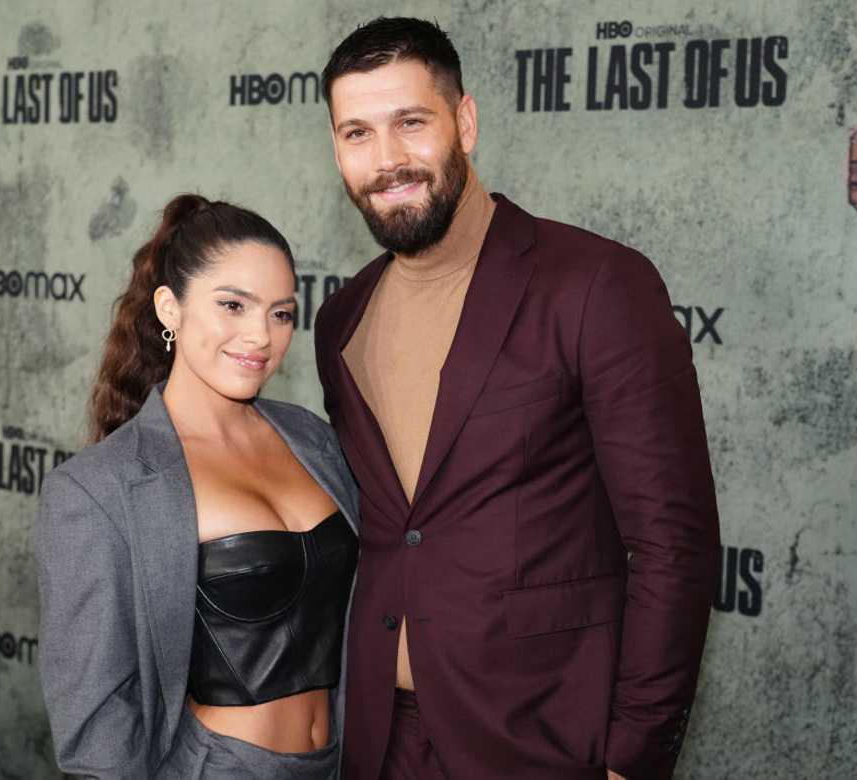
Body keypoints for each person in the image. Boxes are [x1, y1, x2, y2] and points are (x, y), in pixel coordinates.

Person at [314, 17, 721, 780]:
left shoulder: (596, 285)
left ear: (464, 122)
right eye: (357, 133)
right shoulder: (342, 321)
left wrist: (632, 755)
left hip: (543, 742)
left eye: (410, 122)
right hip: (378, 743)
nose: (387, 159)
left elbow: (675, 544)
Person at [34, 194, 360, 779]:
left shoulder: (315, 440)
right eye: (233, 305)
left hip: (339, 762)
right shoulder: (97, 490)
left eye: (281, 313)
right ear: (170, 308)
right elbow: (97, 723)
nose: (260, 336)